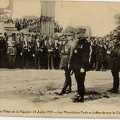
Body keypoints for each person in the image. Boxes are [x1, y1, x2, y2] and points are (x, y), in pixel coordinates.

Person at [69, 30, 91, 102]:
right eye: (76, 33)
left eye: (78, 33)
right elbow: (74, 56)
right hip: (76, 66)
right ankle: (79, 94)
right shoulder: (78, 43)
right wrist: (72, 67)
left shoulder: (86, 43)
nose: (76, 35)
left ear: (82, 34)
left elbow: (85, 56)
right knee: (78, 81)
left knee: (81, 81)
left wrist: (83, 66)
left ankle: (81, 97)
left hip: (81, 66)